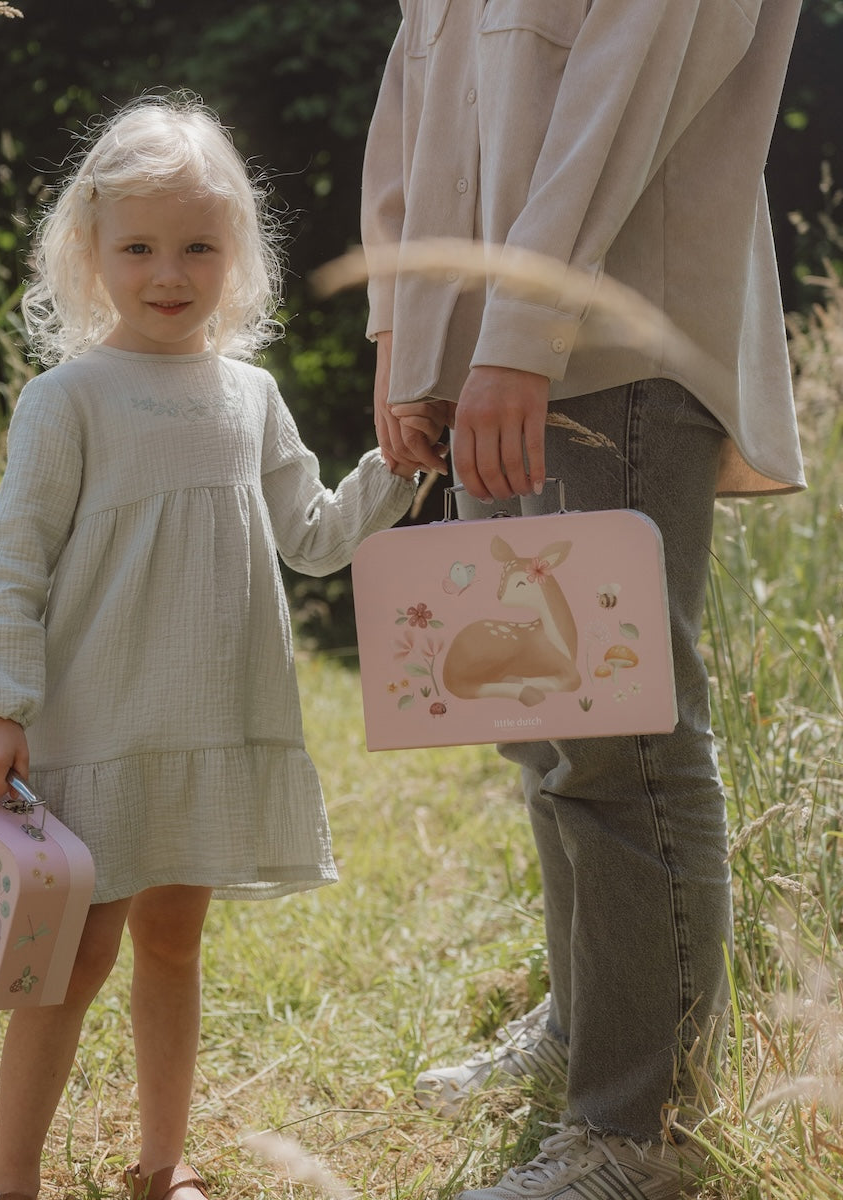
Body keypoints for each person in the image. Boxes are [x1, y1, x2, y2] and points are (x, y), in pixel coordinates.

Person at [361, 2, 804, 1198]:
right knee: (546, 726)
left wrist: (523, 324)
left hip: (609, 338)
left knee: (623, 742)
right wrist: (411, 330)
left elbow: (635, 72)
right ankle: (582, 1031)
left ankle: (637, 1132)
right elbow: (425, 78)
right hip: (496, 342)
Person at [0, 95, 417, 1200]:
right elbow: (12, 560)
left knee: (172, 941)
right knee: (71, 960)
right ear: (91, 254)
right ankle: (9, 1175)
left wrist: (403, 467)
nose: (170, 272)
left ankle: (160, 1169)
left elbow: (311, 538)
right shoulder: (68, 401)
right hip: (100, 723)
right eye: (141, 248)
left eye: (199, 246)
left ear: (239, 257)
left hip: (208, 720)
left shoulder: (250, 397)